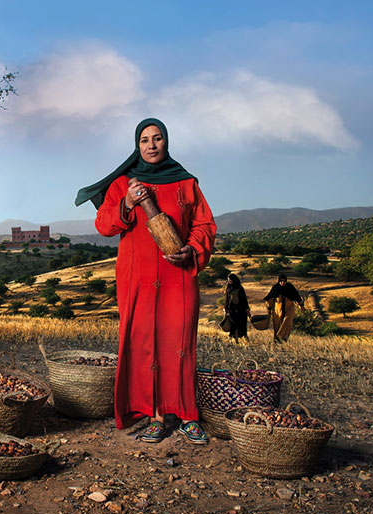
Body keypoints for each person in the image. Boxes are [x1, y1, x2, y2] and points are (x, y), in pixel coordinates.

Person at [75, 118, 216, 445]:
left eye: (157, 139)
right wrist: (127, 203)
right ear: (137, 146)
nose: (151, 145)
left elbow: (204, 225)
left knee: (179, 343)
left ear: (167, 142)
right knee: (143, 343)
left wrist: (192, 250)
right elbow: (104, 225)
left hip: (178, 275)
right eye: (144, 140)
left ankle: (186, 414)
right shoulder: (123, 183)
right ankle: (153, 415)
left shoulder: (186, 183)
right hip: (136, 277)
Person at [263, 273, 305, 343]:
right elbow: (270, 298)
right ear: (279, 281)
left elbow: (296, 296)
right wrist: (269, 308)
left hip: (289, 306)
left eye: (284, 281)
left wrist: (301, 305)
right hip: (278, 308)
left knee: (287, 320)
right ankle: (277, 339)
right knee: (277, 324)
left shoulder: (290, 287)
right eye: (281, 281)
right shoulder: (275, 287)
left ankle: (282, 336)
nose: (283, 282)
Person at [224, 274, 251, 343]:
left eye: (230, 280)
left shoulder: (240, 288)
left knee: (242, 325)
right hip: (231, 310)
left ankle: (245, 339)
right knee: (233, 324)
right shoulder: (228, 289)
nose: (229, 281)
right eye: (228, 280)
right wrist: (225, 309)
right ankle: (232, 339)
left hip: (241, 310)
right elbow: (226, 300)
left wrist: (247, 309)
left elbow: (244, 299)